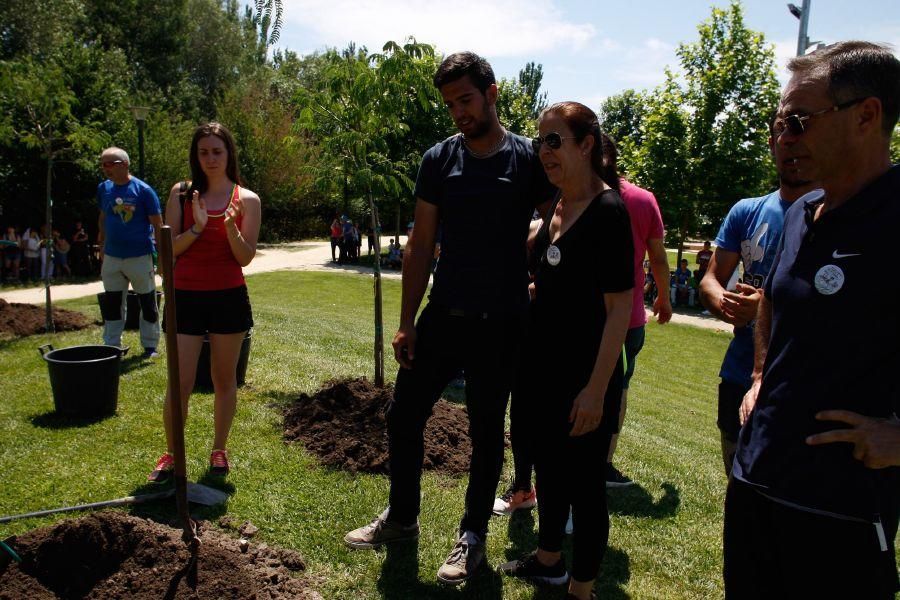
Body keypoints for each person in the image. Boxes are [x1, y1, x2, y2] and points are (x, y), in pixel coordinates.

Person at [343, 51, 555, 586]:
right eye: (450, 103)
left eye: (466, 99)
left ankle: (472, 538)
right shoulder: (439, 159)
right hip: (444, 315)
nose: (458, 111)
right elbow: (420, 244)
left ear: (492, 93)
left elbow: (561, 219)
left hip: (503, 322)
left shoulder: (529, 160)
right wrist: (407, 319)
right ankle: (403, 518)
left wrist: (530, 255)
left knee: (486, 433)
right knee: (403, 414)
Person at [723, 41, 900, 599]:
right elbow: (773, 298)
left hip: (842, 507)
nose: (784, 139)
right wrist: (757, 376)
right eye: (780, 125)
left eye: (800, 122)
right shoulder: (801, 210)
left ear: (867, 116)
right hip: (756, 480)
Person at [494, 136, 672, 518]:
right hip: (560, 331)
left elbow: (649, 262)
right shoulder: (567, 201)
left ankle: (584, 485)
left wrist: (663, 296)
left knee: (599, 403)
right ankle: (543, 497)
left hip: (611, 325)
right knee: (558, 416)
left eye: (557, 143)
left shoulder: (622, 204)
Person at [498, 102, 633, 600]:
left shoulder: (609, 212)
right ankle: (548, 558)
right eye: (540, 141)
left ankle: (582, 589)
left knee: (585, 486)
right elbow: (561, 280)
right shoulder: (556, 204)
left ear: (587, 145)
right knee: (550, 470)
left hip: (585, 374)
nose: (544, 152)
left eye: (555, 141)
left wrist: (597, 391)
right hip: (542, 368)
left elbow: (619, 309)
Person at [699, 116, 819, 474]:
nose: (789, 141)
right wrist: (726, 303)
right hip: (739, 374)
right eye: (780, 131)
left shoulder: (839, 214)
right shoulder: (747, 211)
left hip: (802, 383)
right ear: (771, 144)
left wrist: (765, 308)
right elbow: (710, 280)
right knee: (738, 489)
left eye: (800, 130)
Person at [148, 122, 261, 483]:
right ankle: (172, 452)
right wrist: (196, 228)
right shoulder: (182, 194)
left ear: (229, 154)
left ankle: (219, 450)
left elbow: (245, 258)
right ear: (195, 156)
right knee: (178, 382)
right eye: (203, 152)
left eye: (217, 151)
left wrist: (230, 229)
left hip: (229, 297)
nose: (210, 159)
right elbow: (167, 253)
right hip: (186, 297)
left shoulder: (248, 200)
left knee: (223, 379)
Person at [96, 147, 162, 356]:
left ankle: (150, 346)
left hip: (140, 256)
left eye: (110, 164)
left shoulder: (143, 191)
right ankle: (112, 345)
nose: (105, 168)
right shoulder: (103, 188)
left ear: (124, 164)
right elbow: (103, 218)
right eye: (103, 164)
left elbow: (159, 225)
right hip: (113, 257)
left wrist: (161, 257)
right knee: (113, 303)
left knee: (147, 301)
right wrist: (101, 245)